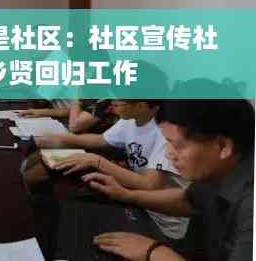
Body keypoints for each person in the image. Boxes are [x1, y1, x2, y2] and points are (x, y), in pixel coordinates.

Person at [87, 79, 254, 261]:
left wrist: (154, 252)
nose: (168, 154)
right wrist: (125, 195)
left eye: (176, 145)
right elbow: (188, 201)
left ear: (223, 146)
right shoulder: (221, 170)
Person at [36, 99, 189, 241]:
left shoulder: (165, 132)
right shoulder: (132, 119)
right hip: (134, 198)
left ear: (140, 106)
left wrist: (97, 161)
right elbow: (102, 140)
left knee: (77, 223)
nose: (112, 107)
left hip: (159, 221)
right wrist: (60, 138)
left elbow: (150, 184)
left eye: (117, 104)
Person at [19, 98, 114, 133]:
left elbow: (74, 126)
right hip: (83, 137)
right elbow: (78, 111)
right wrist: (43, 112)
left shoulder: (106, 97)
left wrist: (76, 93)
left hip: (98, 149)